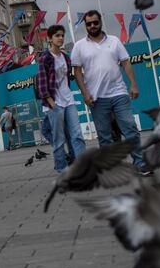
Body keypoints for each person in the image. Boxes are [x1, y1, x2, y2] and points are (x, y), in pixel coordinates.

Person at [71, 10, 150, 175]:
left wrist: (133, 85)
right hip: (96, 97)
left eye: (95, 22)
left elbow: (126, 63)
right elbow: (77, 72)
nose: (92, 26)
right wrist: (85, 94)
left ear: (100, 22)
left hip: (119, 93)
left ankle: (140, 163)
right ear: (86, 25)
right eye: (89, 23)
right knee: (104, 135)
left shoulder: (114, 41)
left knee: (129, 127)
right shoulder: (79, 46)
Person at [37, 25, 86, 173]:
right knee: (59, 139)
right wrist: (51, 103)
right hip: (54, 103)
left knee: (76, 134)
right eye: (57, 36)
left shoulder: (65, 57)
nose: (60, 38)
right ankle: (61, 168)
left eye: (62, 35)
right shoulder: (45, 57)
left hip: (68, 100)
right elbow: (42, 83)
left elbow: (66, 79)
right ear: (49, 39)